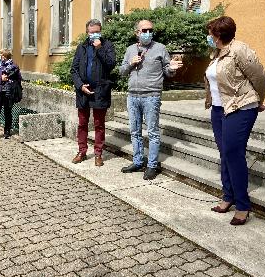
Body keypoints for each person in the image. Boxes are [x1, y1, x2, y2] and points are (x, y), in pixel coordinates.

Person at [205, 16, 265, 226]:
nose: (209, 36)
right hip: (218, 108)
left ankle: (243, 205)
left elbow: (261, 78)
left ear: (218, 34)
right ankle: (228, 197)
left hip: (240, 107)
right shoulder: (216, 53)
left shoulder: (240, 50)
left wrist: (257, 99)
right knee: (225, 153)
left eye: (211, 33)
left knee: (234, 153)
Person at [119, 19, 183, 179]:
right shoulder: (130, 50)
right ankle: (138, 161)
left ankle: (152, 165)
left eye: (150, 30)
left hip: (151, 96)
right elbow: (121, 71)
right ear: (137, 33)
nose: (148, 33)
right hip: (133, 95)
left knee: (153, 132)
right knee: (135, 131)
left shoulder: (160, 48)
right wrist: (130, 63)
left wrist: (172, 69)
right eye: (144, 30)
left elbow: (168, 71)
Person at [71, 19, 116, 167]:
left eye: (97, 32)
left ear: (101, 31)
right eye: (92, 32)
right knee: (82, 124)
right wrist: (79, 85)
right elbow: (74, 69)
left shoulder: (107, 45)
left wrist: (100, 48)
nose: (95, 35)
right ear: (87, 32)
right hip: (83, 91)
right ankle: (82, 151)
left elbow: (111, 64)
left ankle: (98, 154)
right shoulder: (81, 47)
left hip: (100, 91)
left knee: (99, 124)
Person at [0, 49, 21, 140]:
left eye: (2, 55)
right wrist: (1, 79)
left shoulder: (14, 66)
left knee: (7, 112)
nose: (1, 57)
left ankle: (7, 131)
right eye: (1, 55)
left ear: (6, 56)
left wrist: (9, 79)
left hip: (8, 92)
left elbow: (19, 79)